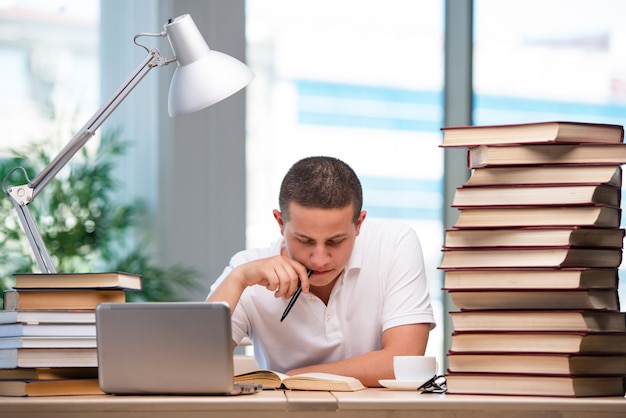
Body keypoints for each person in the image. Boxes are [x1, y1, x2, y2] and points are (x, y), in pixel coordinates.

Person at [207, 156, 435, 387]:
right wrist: (237, 280)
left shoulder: (393, 244)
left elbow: (405, 363)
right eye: (304, 240)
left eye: (336, 241)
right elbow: (196, 362)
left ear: (359, 223)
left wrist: (295, 377)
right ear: (280, 222)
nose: (320, 259)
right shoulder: (248, 270)